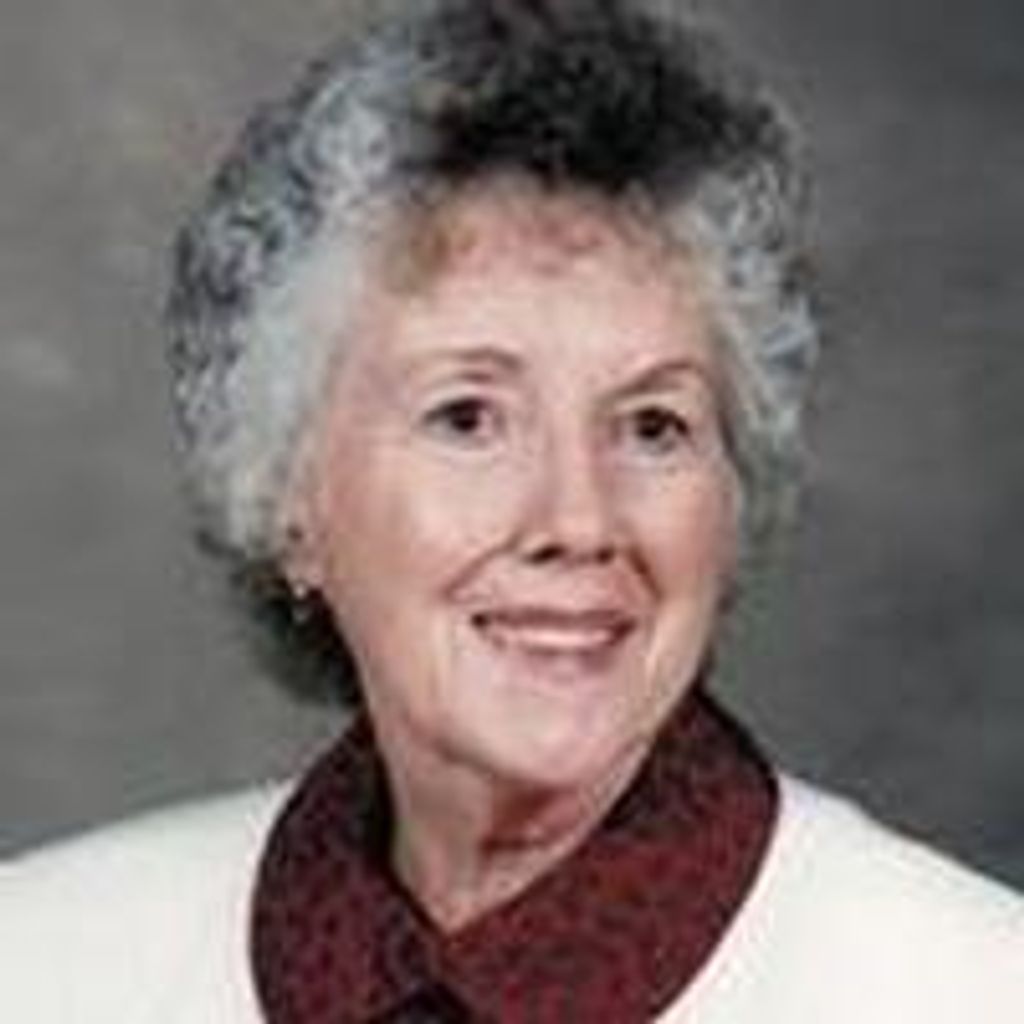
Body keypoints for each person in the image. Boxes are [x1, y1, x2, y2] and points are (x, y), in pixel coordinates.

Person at [2, 1, 1022, 1021]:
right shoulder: (44, 958)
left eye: (653, 425)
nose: (578, 520)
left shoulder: (968, 984)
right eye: (467, 417)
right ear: (288, 500)